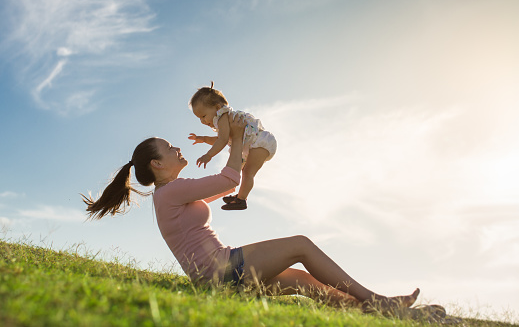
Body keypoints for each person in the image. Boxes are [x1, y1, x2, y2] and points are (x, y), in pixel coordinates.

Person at [82, 114, 419, 313]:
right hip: (222, 272)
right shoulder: (172, 191)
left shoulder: (172, 193)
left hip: (220, 277)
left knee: (302, 281)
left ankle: (372, 310)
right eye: (170, 148)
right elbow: (229, 178)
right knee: (300, 244)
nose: (177, 148)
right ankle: (377, 300)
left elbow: (228, 185)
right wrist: (236, 135)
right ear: (157, 164)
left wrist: (243, 152)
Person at [187, 81, 277, 211]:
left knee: (248, 173)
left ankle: (241, 200)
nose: (203, 121)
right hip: (251, 145)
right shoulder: (222, 119)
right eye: (199, 119)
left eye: (204, 116)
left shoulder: (222, 116)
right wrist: (204, 139)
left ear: (217, 108)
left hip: (260, 142)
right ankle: (240, 196)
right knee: (244, 172)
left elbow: (222, 140)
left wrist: (209, 155)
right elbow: (221, 139)